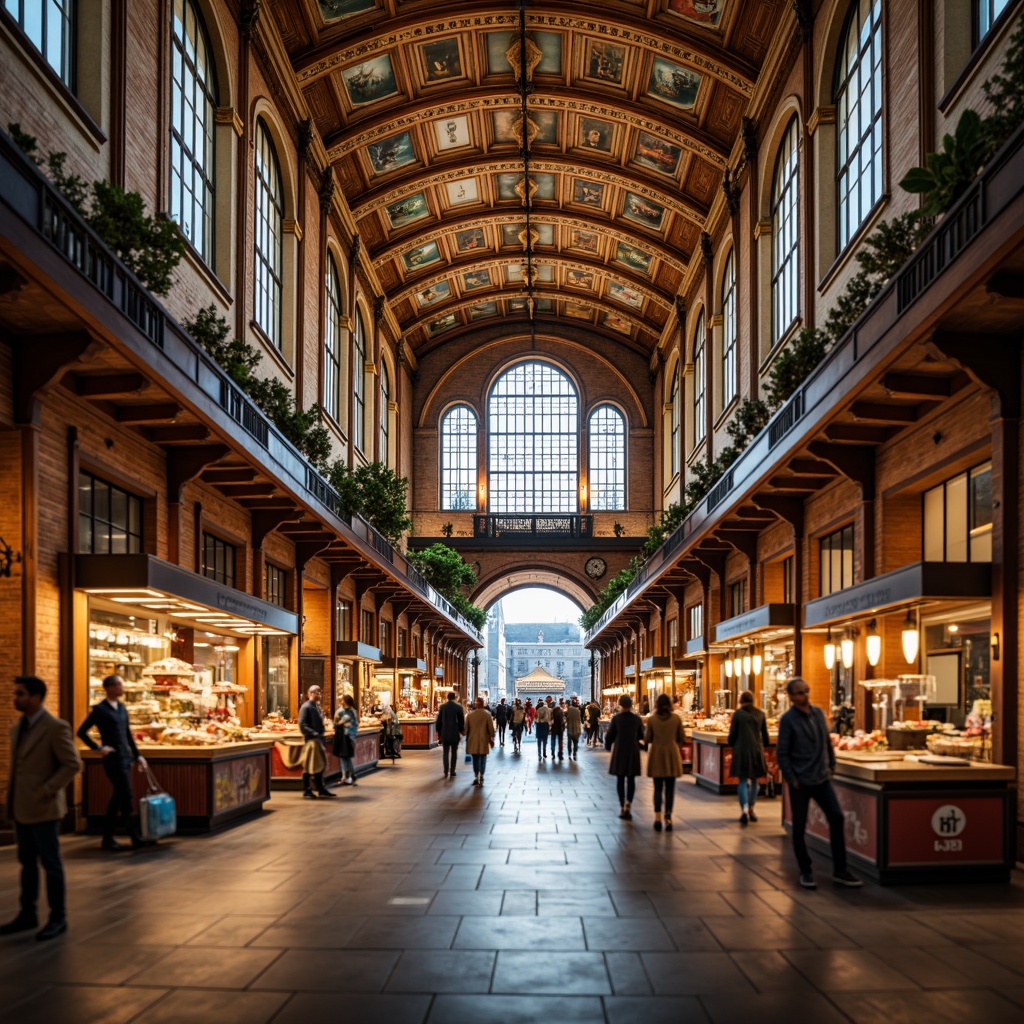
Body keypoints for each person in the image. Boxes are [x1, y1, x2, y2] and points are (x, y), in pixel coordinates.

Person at [2, 676, 81, 941]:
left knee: (51, 863)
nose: (16, 698)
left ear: (36, 697)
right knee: (26, 863)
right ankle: (28, 914)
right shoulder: (17, 728)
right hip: (21, 806)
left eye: (21, 694)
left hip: (44, 808)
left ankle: (58, 918)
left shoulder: (55, 727)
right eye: (16, 693)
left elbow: (72, 764)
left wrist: (47, 790)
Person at [776, 677, 862, 889]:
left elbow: (826, 741)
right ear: (791, 696)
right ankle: (805, 870)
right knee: (799, 828)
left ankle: (841, 870)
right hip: (800, 782)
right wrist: (792, 778)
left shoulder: (818, 714)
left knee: (836, 818)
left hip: (821, 778)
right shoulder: (788, 720)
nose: (805, 695)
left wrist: (831, 764)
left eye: (806, 691)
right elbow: (782, 752)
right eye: (799, 692)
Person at [77, 674, 152, 849]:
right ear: (109, 688)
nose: (122, 687)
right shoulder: (100, 710)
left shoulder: (121, 708)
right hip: (112, 759)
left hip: (125, 758)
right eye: (119, 684)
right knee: (126, 796)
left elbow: (128, 735)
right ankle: (134, 836)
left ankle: (108, 838)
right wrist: (98, 748)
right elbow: (81, 731)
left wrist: (138, 755)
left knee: (119, 797)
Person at [728, 690, 770, 825]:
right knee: (754, 781)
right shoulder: (760, 714)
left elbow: (732, 736)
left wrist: (733, 743)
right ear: (753, 700)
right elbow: (765, 736)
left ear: (741, 701)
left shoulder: (738, 715)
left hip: (741, 750)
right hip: (757, 750)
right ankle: (751, 808)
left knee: (742, 781)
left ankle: (744, 810)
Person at [645, 693, 685, 831]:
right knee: (670, 788)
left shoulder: (652, 720)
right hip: (672, 754)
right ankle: (668, 817)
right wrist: (674, 746)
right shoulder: (676, 719)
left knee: (657, 788)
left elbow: (648, 738)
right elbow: (681, 737)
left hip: (657, 754)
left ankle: (657, 817)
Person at [604, 695, 643, 820]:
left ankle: (621, 805)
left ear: (620, 705)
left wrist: (608, 746)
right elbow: (641, 734)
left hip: (620, 750)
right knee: (631, 780)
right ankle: (629, 804)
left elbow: (610, 735)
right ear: (631, 705)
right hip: (632, 751)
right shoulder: (637, 719)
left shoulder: (617, 718)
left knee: (620, 780)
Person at [298, 685, 335, 799]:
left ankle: (320, 788)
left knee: (319, 764)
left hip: (317, 739)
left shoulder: (315, 706)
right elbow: (302, 724)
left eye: (319, 692)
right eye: (316, 692)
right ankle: (307, 789)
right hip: (312, 740)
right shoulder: (306, 707)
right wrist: (314, 733)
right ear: (310, 693)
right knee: (310, 765)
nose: (318, 694)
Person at [465, 696, 496, 786]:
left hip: (473, 740)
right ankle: (481, 775)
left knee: (475, 759)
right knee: (483, 758)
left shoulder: (470, 715)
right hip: (483, 740)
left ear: (475, 705)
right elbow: (491, 728)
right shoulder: (487, 714)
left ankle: (476, 775)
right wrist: (492, 737)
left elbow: (466, 730)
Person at [435, 690, 465, 778]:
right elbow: (461, 721)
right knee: (454, 752)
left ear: (447, 698)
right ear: (455, 698)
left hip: (445, 732)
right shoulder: (458, 707)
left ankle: (445, 770)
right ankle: (452, 770)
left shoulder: (442, 707)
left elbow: (439, 721)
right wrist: (461, 731)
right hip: (455, 733)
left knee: (445, 752)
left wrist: (439, 732)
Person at [333, 694, 359, 786]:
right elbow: (335, 724)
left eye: (343, 700)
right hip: (345, 737)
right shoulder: (344, 712)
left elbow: (335, 724)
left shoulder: (345, 711)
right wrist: (343, 724)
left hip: (347, 737)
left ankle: (348, 776)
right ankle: (349, 776)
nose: (342, 701)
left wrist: (350, 732)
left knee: (346, 757)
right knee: (345, 757)